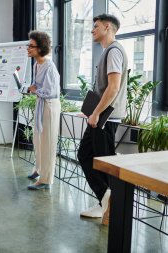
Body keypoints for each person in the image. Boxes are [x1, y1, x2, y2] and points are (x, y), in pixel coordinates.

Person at [78, 14, 128, 225]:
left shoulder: (114, 51)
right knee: (86, 155)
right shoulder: (108, 51)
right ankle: (105, 200)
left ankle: (111, 206)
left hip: (106, 118)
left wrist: (97, 113)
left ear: (108, 27)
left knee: (104, 162)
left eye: (95, 26)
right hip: (100, 116)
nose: (92, 30)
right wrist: (92, 110)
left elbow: (114, 87)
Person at [26, 31, 61, 190]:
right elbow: (36, 86)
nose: (28, 48)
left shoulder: (49, 66)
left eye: (31, 46)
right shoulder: (36, 64)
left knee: (48, 143)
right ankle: (39, 169)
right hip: (41, 103)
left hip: (50, 105)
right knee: (38, 140)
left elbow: (51, 92)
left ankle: (46, 180)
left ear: (40, 48)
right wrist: (31, 88)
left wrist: (34, 90)